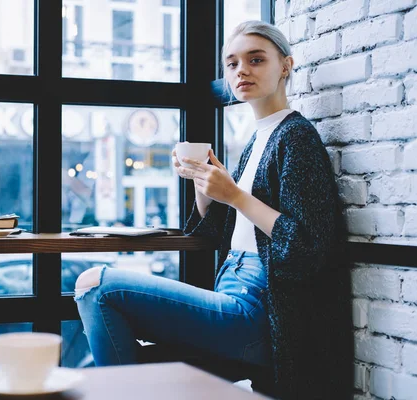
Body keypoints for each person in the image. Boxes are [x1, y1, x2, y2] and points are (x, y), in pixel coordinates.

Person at [74, 20, 352, 399]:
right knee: (131, 360)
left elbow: (305, 246)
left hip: (259, 311)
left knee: (97, 286)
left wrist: (235, 195)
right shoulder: (258, 139)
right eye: (232, 63)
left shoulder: (296, 137)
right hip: (233, 291)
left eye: (256, 60)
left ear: (285, 66)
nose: (242, 71)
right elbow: (216, 232)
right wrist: (202, 181)